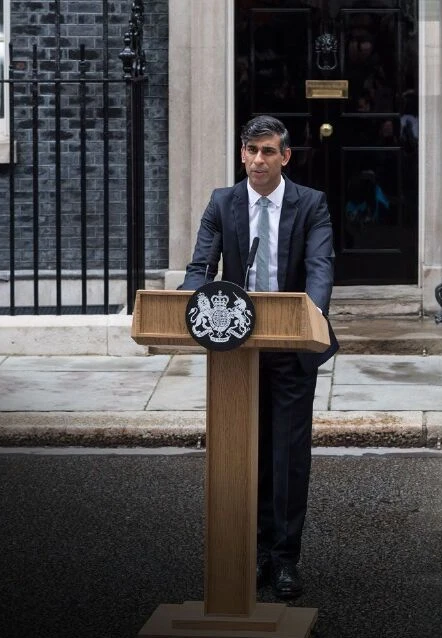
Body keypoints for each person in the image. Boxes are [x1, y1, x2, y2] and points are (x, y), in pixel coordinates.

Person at [180, 114, 339, 601]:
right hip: (236, 351)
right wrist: (186, 301)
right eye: (250, 151)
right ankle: (248, 553)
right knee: (244, 452)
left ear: (284, 156)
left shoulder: (310, 203)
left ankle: (284, 558)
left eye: (268, 151)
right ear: (241, 154)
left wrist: (311, 314)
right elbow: (200, 266)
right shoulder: (222, 203)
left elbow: (319, 268)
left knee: (287, 456)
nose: (257, 160)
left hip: (290, 346)